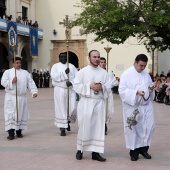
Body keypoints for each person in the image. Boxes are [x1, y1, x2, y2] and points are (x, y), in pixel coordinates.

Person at [72, 50, 112, 162]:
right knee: (84, 126)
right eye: (94, 57)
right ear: (89, 58)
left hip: (99, 103)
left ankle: (96, 152)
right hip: (86, 102)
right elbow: (76, 85)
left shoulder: (104, 73)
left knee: (98, 128)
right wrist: (89, 86)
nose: (97, 59)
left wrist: (102, 87)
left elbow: (109, 86)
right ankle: (80, 150)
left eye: (98, 57)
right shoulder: (83, 72)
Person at [118, 54, 155, 161]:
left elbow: (150, 84)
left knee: (149, 126)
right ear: (135, 62)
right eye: (141, 65)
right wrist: (136, 92)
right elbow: (122, 91)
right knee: (134, 128)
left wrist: (150, 89)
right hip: (133, 106)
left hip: (146, 105)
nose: (143, 68)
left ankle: (144, 149)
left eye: (144, 66)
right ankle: (134, 152)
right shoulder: (126, 74)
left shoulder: (145, 74)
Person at [1, 57, 38, 140]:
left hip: (21, 98)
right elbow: (3, 82)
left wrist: (34, 92)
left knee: (20, 114)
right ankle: (11, 133)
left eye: (20, 63)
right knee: (10, 114)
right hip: (11, 97)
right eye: (17, 63)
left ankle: (19, 131)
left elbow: (30, 83)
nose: (18, 64)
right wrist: (11, 81)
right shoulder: (8, 72)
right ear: (13, 63)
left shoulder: (25, 73)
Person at [50, 52, 77, 136]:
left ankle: (67, 121)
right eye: (61, 57)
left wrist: (72, 82)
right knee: (61, 108)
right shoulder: (55, 66)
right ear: (59, 58)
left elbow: (78, 77)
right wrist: (64, 73)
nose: (63, 58)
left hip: (70, 90)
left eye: (65, 57)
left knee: (72, 107)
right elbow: (54, 76)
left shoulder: (71, 66)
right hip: (60, 89)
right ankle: (62, 128)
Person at [99, 57, 116, 135]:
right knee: (100, 111)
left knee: (107, 110)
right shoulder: (97, 71)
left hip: (108, 94)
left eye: (104, 62)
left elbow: (114, 82)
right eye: (101, 62)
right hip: (100, 95)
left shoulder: (109, 72)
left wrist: (109, 85)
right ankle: (101, 126)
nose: (103, 63)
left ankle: (105, 124)